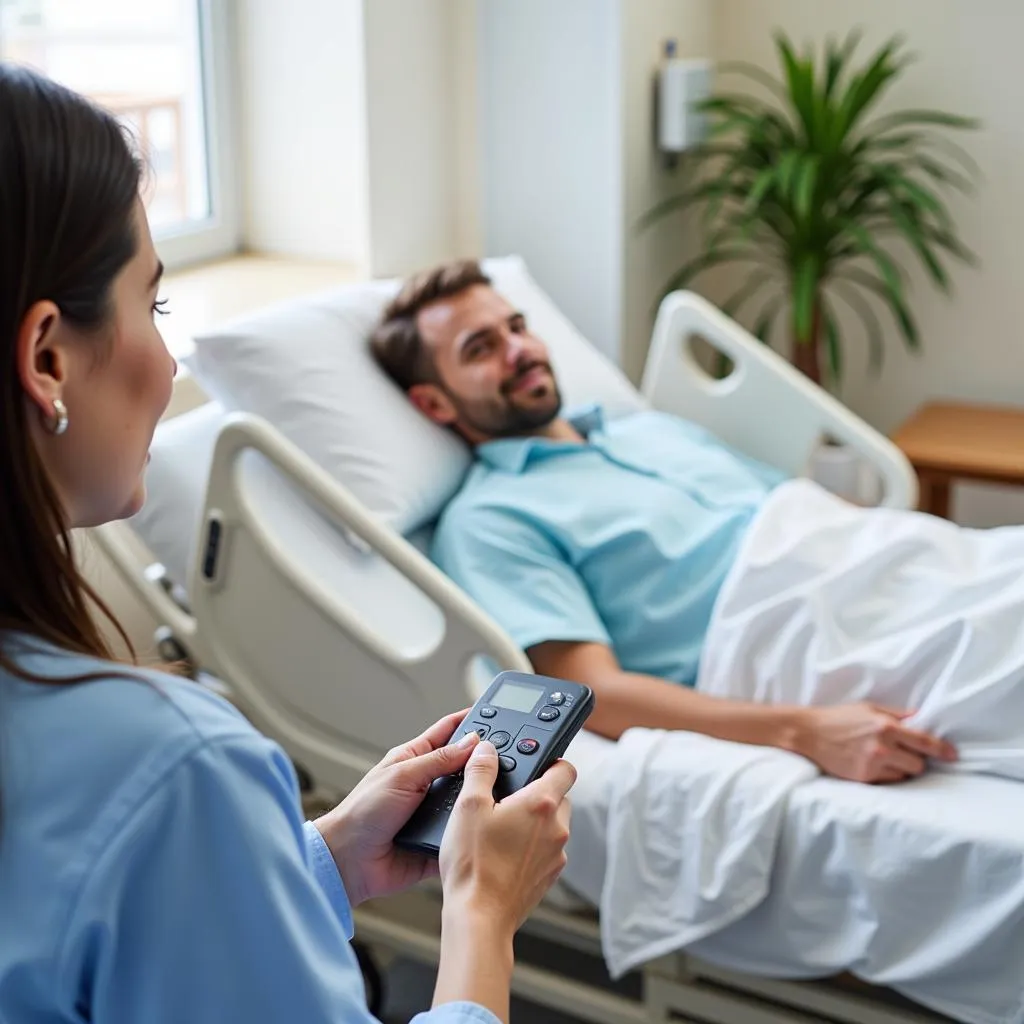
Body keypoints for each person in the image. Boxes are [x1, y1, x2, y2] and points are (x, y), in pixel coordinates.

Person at [0, 66, 576, 1024]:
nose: (166, 356)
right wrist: (482, 914)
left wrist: (324, 853)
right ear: (48, 358)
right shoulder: (173, 773)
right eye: (156, 305)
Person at [370, 259, 967, 786]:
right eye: (481, 348)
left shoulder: (647, 429)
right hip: (785, 636)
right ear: (434, 404)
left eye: (517, 327)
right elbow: (594, 693)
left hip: (904, 571)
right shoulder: (490, 519)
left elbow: (809, 516)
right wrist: (803, 731)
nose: (520, 349)